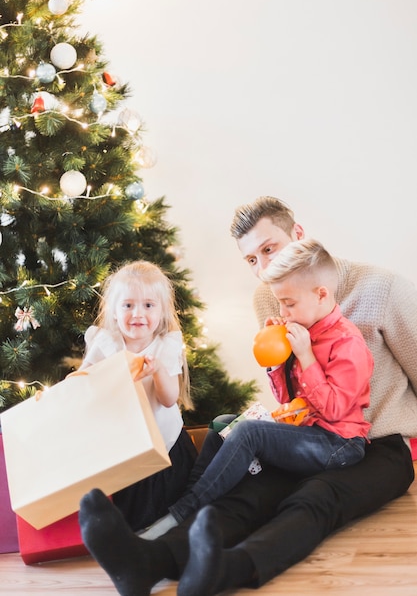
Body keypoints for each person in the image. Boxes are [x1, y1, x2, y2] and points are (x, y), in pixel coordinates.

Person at [78, 196, 417, 596]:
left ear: (299, 235)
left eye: (270, 249)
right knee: (251, 490)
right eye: (252, 260)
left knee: (315, 498)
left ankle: (228, 569)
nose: (265, 268)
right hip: (311, 430)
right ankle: (148, 563)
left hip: (379, 445)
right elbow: (291, 390)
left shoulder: (382, 288)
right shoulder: (268, 298)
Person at [148, 238, 373, 530]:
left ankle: (178, 516)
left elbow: (332, 409)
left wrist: (306, 358)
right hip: (304, 431)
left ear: (321, 294)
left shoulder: (347, 343)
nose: (283, 311)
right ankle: (187, 503)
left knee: (250, 433)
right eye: (280, 302)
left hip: (339, 444)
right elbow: (284, 398)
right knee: (221, 425)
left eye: (289, 303)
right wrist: (277, 360)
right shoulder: (300, 331)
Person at [78, 260, 197, 532]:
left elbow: (169, 399)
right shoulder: (107, 342)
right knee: (129, 517)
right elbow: (83, 380)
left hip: (165, 444)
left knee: (169, 511)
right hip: (126, 445)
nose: (137, 314)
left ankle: (164, 534)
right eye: (128, 305)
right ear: (115, 311)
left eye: (148, 305)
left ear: (163, 311)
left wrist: (157, 372)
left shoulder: (166, 345)